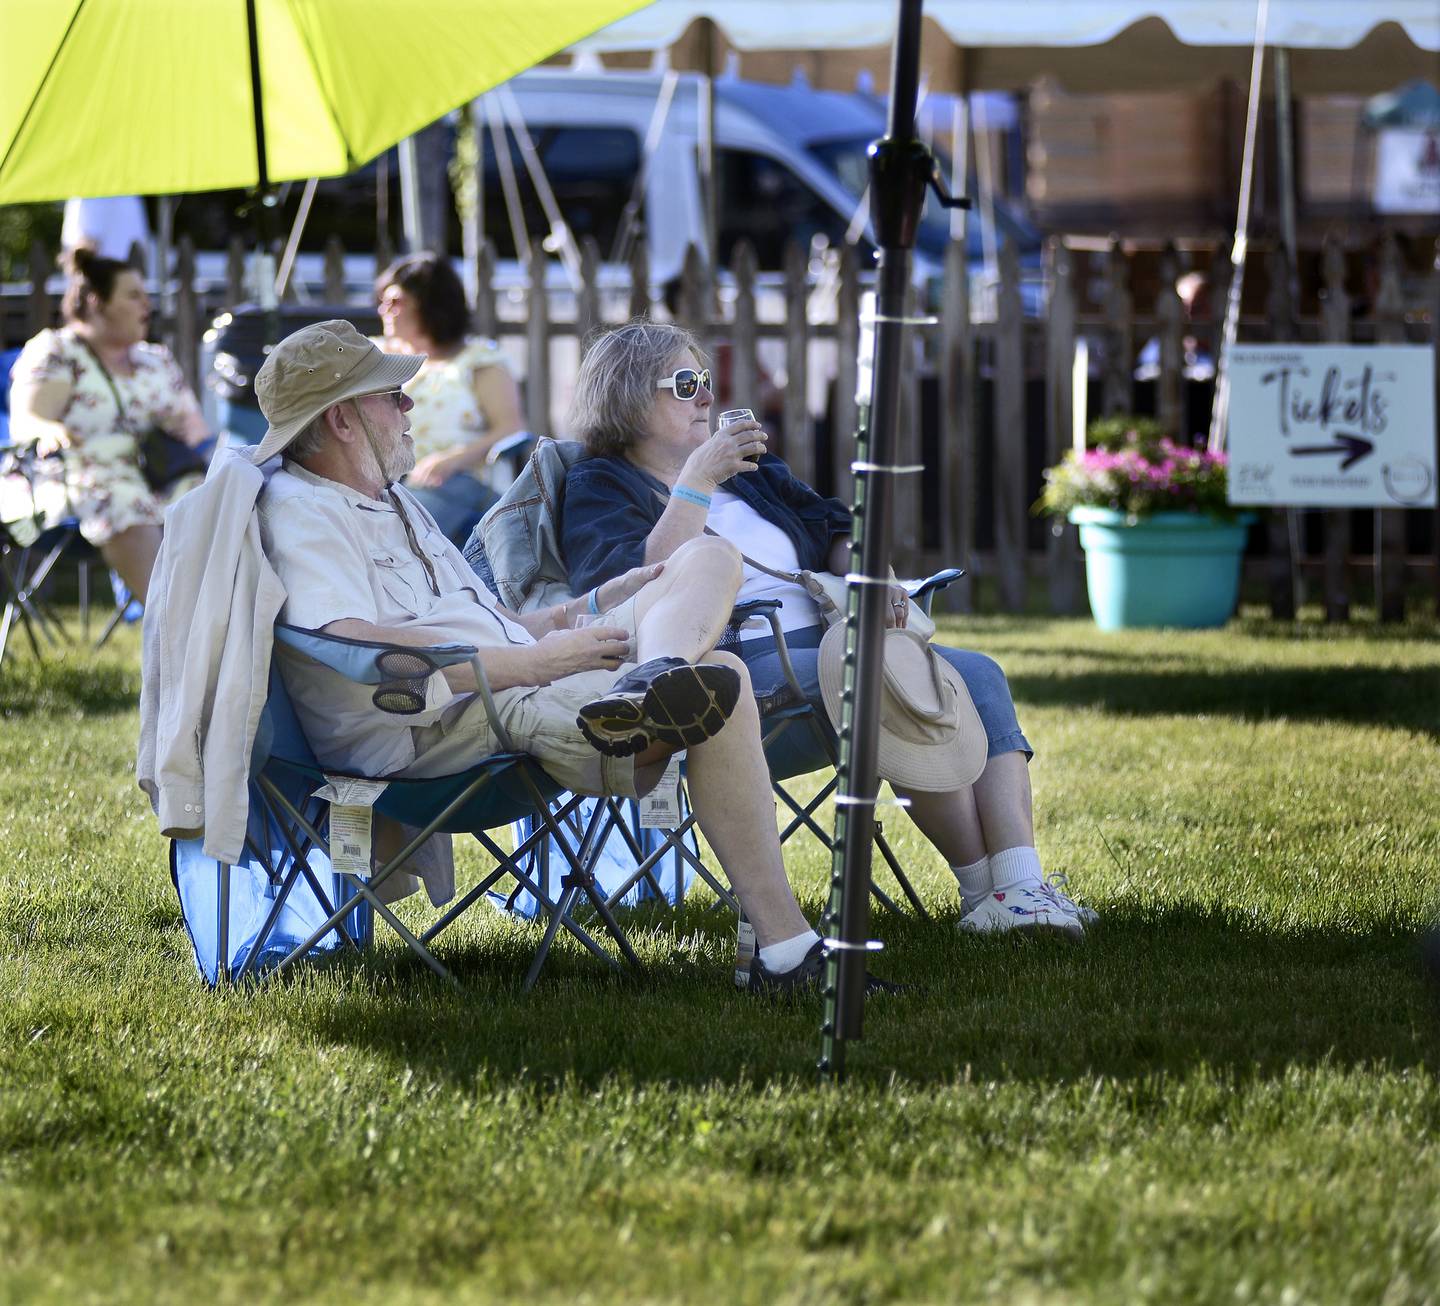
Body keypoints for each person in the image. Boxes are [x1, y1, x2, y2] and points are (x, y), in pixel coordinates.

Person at [252, 320, 892, 994]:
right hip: (448, 716)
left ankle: (656, 674)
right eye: (395, 396)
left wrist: (579, 612)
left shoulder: (394, 502)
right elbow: (357, 646)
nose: (410, 408)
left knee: (707, 556)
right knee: (724, 682)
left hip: (517, 672)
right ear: (344, 419)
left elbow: (498, 622)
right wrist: (538, 663)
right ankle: (786, 954)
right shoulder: (303, 512)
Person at [562, 321, 1097, 936]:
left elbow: (832, 525)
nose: (706, 396)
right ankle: (987, 893)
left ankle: (1020, 884)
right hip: (735, 666)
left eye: (705, 380)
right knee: (886, 678)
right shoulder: (599, 484)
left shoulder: (752, 468)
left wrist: (876, 577)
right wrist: (697, 483)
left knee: (978, 672)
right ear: (627, 395)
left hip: (829, 635)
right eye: (686, 384)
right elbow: (629, 586)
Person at [7, 249, 209, 603]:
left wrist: (191, 437)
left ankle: (226, 618)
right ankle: (176, 624)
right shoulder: (57, 352)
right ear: (97, 301)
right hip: (76, 478)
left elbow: (195, 429)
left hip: (158, 478)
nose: (146, 304)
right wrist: (50, 431)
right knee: (122, 500)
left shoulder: (154, 359)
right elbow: (27, 421)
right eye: (133, 295)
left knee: (218, 495)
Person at [373, 252, 524, 545]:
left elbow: (511, 429)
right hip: (385, 482)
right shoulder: (375, 358)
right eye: (382, 301)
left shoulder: (478, 359)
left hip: (457, 481)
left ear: (430, 305)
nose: (383, 310)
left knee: (398, 530)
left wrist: (452, 460)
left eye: (395, 301)